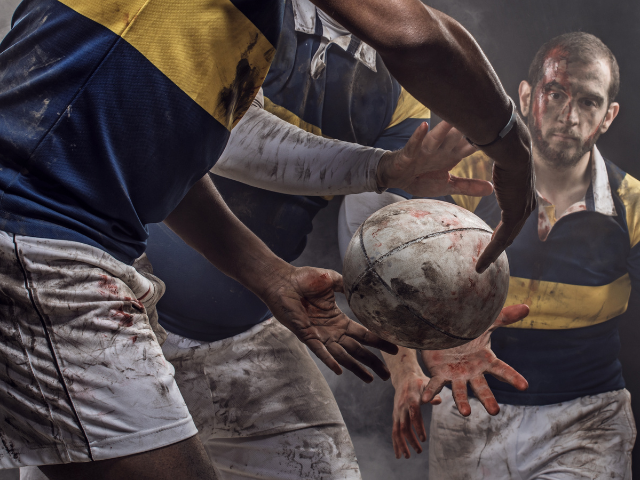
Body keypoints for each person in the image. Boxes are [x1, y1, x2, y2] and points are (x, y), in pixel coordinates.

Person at [0, 0, 534, 478]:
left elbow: (168, 157)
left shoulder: (210, 30)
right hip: (36, 241)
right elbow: (415, 35)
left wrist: (272, 275)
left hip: (69, 250)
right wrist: (513, 149)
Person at [340, 32, 637, 479]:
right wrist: (405, 372)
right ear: (525, 94)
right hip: (467, 413)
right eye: (555, 93)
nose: (569, 116)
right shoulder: (464, 180)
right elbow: (376, 256)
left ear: (609, 115)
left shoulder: (632, 207)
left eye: (589, 102)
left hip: (587, 419)